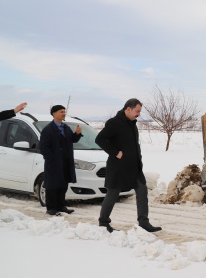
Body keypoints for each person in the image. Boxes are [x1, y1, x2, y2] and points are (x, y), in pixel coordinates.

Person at [95, 98, 161, 233]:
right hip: (119, 166)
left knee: (142, 191)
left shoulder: (132, 123)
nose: (139, 114)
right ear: (128, 109)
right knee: (113, 193)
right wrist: (115, 153)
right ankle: (103, 222)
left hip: (134, 166)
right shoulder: (114, 123)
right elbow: (100, 139)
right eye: (137, 111)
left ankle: (143, 222)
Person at [38, 105, 82, 215]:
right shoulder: (48, 129)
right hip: (54, 163)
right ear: (54, 114)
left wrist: (77, 134)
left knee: (63, 185)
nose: (64, 113)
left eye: (64, 111)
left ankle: (61, 206)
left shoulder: (65, 128)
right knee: (52, 185)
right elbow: (43, 147)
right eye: (61, 111)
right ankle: (51, 208)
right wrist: (51, 158)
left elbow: (71, 140)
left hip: (66, 162)